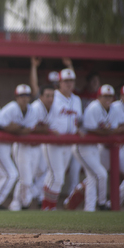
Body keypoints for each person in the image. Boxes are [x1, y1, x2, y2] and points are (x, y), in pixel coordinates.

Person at [64, 84, 115, 212]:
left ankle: (89, 209)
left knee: (92, 178)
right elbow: (91, 129)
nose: (107, 99)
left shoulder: (112, 109)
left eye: (110, 96)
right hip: (83, 147)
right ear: (99, 97)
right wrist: (108, 132)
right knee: (101, 174)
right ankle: (102, 203)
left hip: (94, 147)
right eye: (105, 96)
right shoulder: (94, 107)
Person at [9, 84, 56, 211]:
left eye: (52, 96)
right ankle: (23, 203)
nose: (50, 98)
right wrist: (43, 129)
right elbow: (28, 127)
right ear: (41, 96)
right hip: (24, 146)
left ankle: (17, 203)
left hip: (37, 148)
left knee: (34, 177)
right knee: (26, 179)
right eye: (47, 96)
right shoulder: (35, 107)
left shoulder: (53, 108)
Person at [41, 68, 83, 210]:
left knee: (53, 177)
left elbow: (77, 120)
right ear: (59, 82)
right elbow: (41, 114)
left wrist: (77, 130)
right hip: (53, 143)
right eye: (66, 81)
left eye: (71, 81)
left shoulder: (76, 100)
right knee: (58, 177)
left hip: (68, 144)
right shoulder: (53, 97)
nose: (69, 84)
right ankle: (49, 207)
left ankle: (46, 207)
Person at [0, 84, 33, 210]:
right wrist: (15, 128)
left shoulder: (31, 110)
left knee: (3, 176)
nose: (24, 98)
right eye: (21, 96)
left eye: (26, 96)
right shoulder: (11, 108)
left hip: (8, 146)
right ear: (17, 97)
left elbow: (28, 129)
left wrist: (16, 128)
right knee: (11, 174)